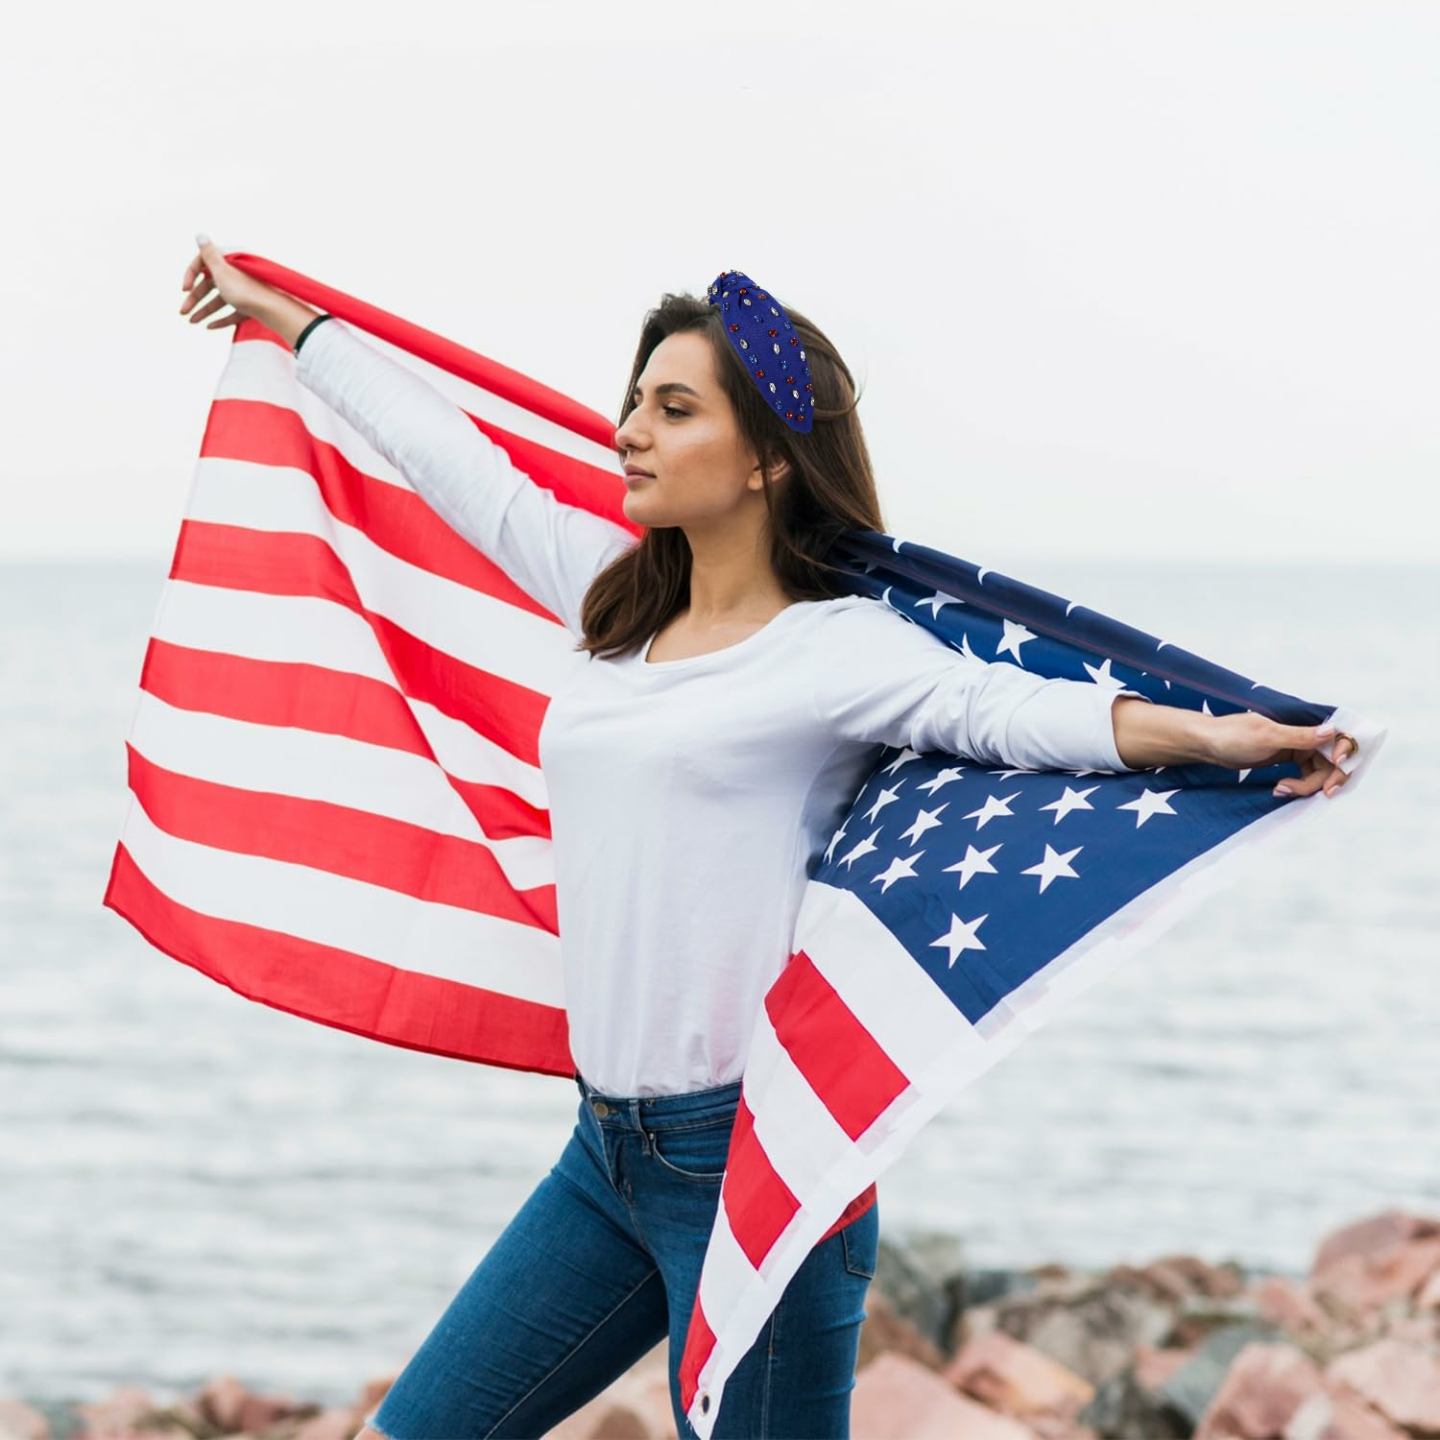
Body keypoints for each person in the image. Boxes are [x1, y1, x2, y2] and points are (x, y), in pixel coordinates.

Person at [177, 238, 1355, 1439]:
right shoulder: (614, 604)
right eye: (635, 400)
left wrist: (1219, 740)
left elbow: (1008, 713)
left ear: (765, 465)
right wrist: (292, 320)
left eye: (673, 408)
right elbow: (458, 470)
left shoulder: (831, 649)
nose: (630, 428)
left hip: (751, 1162)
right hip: (605, 1159)